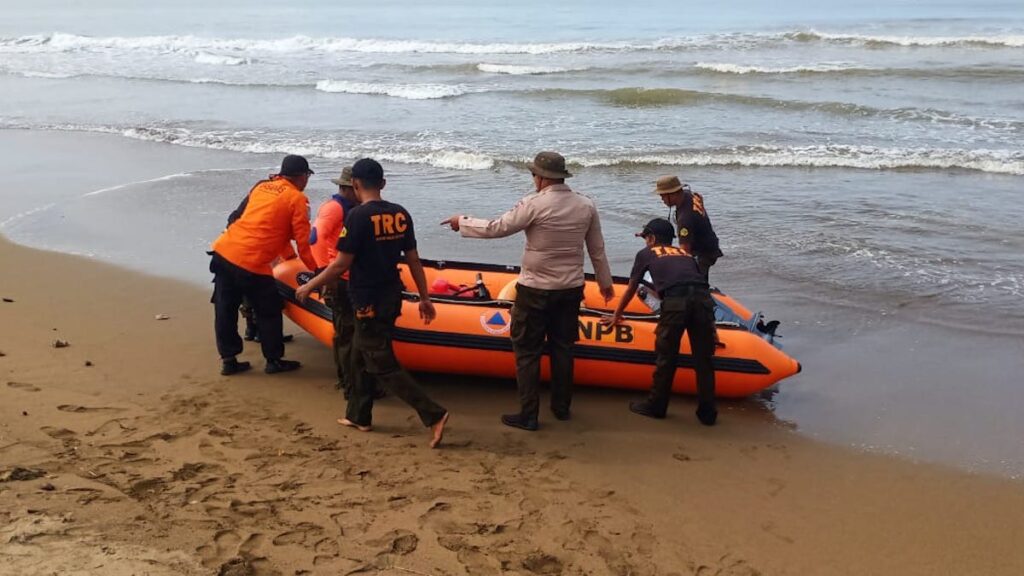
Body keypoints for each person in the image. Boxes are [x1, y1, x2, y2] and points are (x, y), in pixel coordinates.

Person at [442, 151, 614, 431]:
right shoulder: (586, 205)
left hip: (534, 289)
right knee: (562, 348)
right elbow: (596, 248)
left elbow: (498, 228)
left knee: (527, 351)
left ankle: (529, 414)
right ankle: (561, 408)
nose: (533, 179)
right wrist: (605, 283)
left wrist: (462, 221)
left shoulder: (534, 204)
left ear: (542, 177)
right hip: (571, 289)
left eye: (534, 174)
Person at [295, 158, 449, 449]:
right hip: (391, 294)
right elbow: (413, 259)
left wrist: (309, 286)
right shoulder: (400, 214)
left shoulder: (357, 217)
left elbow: (340, 265)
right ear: (383, 183)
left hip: (367, 300)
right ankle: (359, 415)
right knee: (357, 354)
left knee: (378, 360)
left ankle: (433, 414)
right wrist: (425, 298)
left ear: (355, 184)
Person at [210, 154, 319, 376]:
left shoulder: (261, 187)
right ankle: (273, 360)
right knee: (268, 309)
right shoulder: (297, 199)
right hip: (252, 262)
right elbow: (302, 241)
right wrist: (317, 271)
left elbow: (268, 227)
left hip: (224, 251)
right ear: (301, 177)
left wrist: (288, 257)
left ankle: (229, 360)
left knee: (225, 309)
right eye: (307, 176)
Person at [601, 218, 717, 426]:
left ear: (652, 238)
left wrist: (616, 315)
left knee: (666, 357)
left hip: (676, 302)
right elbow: (698, 284)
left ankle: (657, 406)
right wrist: (713, 328)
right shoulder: (686, 254)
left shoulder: (646, 253)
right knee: (704, 360)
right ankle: (707, 413)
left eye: (645, 237)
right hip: (703, 302)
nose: (645, 242)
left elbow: (631, 288)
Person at [311, 166, 359, 393]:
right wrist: (324, 275)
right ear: (349, 188)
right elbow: (316, 240)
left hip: (351, 276)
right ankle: (348, 382)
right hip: (337, 277)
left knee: (353, 332)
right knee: (346, 334)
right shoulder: (334, 208)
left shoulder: (354, 208)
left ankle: (354, 379)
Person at [655, 175, 722, 278]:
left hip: (703, 252)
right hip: (710, 243)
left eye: (663, 196)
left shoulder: (685, 219)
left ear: (672, 194)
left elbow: (685, 251)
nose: (662, 199)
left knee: (693, 278)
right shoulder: (687, 195)